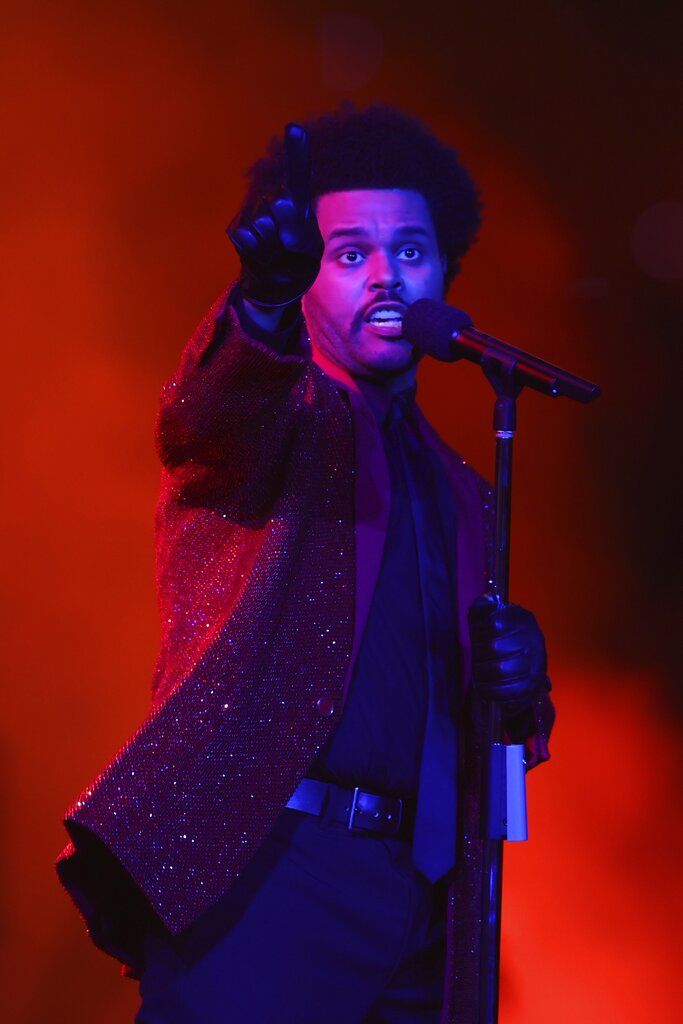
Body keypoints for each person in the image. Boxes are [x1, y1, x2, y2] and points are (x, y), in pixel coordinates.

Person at [57, 103, 555, 1024]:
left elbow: (463, 709)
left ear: (446, 271)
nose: (387, 277)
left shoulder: (461, 488)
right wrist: (263, 304)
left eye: (411, 252)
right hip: (273, 871)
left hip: (428, 896)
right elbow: (209, 419)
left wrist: (522, 683)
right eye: (349, 253)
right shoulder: (283, 421)